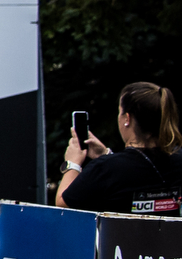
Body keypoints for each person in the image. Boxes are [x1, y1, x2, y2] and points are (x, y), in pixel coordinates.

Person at [58, 81, 182, 214]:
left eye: (120, 112)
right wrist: (106, 154)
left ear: (127, 118)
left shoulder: (105, 168)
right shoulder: (178, 160)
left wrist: (72, 165)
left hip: (121, 236)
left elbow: (63, 204)